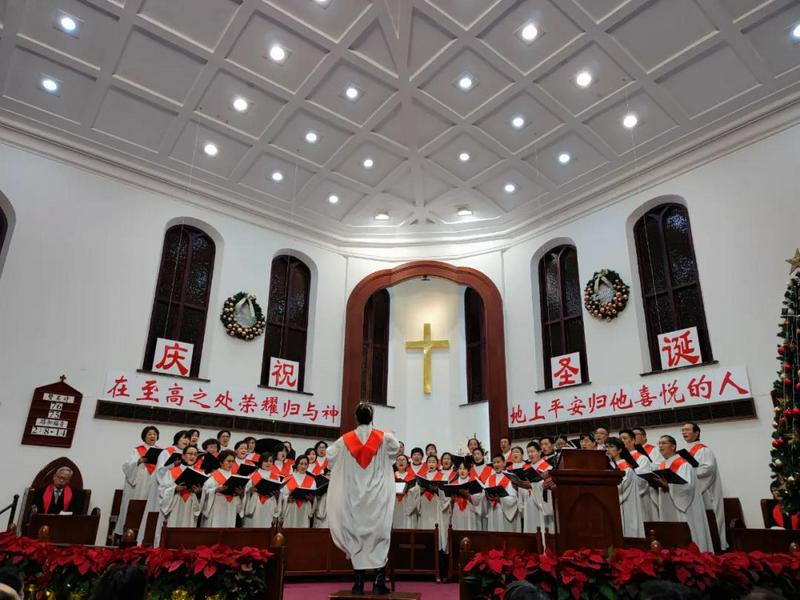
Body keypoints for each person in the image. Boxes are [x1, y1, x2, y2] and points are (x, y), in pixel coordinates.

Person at [327, 403, 399, 595]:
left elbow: (330, 456)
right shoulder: (384, 438)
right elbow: (395, 449)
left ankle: (358, 584)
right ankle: (378, 583)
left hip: (354, 498)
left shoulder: (345, 440)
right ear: (372, 418)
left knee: (356, 536)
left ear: (356, 418)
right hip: (377, 497)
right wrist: (386, 433)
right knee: (379, 537)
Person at [652, 435, 713, 552]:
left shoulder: (683, 464)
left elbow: (687, 487)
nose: (660, 446)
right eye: (659, 443)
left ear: (673, 446)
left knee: (687, 533)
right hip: (667, 504)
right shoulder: (662, 465)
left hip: (684, 507)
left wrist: (668, 486)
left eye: (663, 443)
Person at [681, 422, 726, 549]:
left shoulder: (704, 450)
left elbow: (707, 469)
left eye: (687, 430)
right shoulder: (685, 451)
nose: (684, 432)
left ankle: (714, 546)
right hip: (693, 491)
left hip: (705, 491)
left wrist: (689, 472)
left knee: (709, 519)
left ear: (696, 433)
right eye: (682, 430)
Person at [114, 425, 160, 538]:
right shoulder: (137, 450)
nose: (152, 436)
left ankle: (146, 535)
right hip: (138, 485)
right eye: (149, 434)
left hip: (152, 483)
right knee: (134, 508)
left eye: (154, 434)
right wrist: (138, 461)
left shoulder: (160, 452)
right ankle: (128, 534)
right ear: (144, 436)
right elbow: (126, 466)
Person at [158, 446, 204, 531]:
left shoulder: (199, 473)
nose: (193, 456)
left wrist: (198, 492)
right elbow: (162, 490)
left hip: (190, 505)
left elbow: (202, 493)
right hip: (175, 504)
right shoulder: (172, 471)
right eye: (190, 454)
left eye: (195, 454)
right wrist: (175, 489)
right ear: (183, 456)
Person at [606, 437, 644, 537]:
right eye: (606, 447)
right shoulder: (610, 466)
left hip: (626, 505)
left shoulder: (626, 469)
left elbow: (621, 487)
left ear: (619, 450)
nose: (607, 449)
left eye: (611, 447)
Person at [200, 449, 246, 527]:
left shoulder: (236, 477)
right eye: (228, 461)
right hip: (216, 508)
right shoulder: (213, 476)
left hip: (230, 508)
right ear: (221, 462)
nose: (231, 463)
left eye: (233, 461)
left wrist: (240, 494)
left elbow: (239, 496)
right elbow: (205, 492)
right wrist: (215, 490)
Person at [619, 429, 657, 522]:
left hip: (639, 498)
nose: (622, 441)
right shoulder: (619, 459)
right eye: (620, 439)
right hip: (622, 497)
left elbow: (642, 480)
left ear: (633, 440)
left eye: (624, 438)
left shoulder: (642, 458)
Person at [244, 453, 281, 528]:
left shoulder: (277, 477)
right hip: (256, 505)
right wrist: (250, 491)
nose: (268, 463)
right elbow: (246, 491)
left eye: (270, 461)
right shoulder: (253, 475)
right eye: (266, 461)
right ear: (261, 462)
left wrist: (277, 495)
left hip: (270, 505)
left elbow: (279, 494)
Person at [484, 453, 519, 532]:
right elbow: (486, 493)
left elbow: (514, 498)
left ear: (504, 463)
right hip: (493, 511)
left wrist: (500, 499)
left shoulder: (510, 477)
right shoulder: (489, 478)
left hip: (505, 512)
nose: (496, 464)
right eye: (494, 462)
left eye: (498, 462)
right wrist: (487, 496)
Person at [281, 455, 317, 527]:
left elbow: (313, 496)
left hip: (305, 508)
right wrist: (287, 498)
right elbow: (282, 495)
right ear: (297, 464)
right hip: (291, 507)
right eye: (301, 464)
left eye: (306, 464)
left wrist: (311, 498)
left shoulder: (312, 480)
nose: (303, 466)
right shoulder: (288, 478)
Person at [448, 462, 482, 531]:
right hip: (457, 512)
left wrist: (468, 495)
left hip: (470, 512)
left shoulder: (473, 483)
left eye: (464, 469)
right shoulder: (453, 484)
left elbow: (478, 500)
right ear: (457, 471)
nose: (462, 471)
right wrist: (451, 501)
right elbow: (449, 503)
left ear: (468, 471)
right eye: (460, 469)